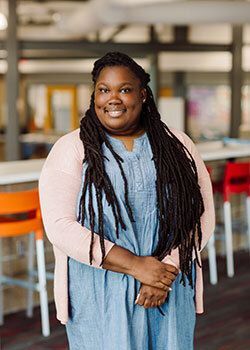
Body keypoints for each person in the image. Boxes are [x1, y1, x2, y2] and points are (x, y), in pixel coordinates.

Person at [39, 51, 215, 350]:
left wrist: (164, 270)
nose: (113, 99)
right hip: (100, 288)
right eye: (104, 90)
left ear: (143, 95)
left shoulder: (178, 144)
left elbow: (202, 213)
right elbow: (60, 227)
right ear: (94, 95)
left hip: (168, 284)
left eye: (124, 89)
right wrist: (136, 266)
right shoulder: (71, 148)